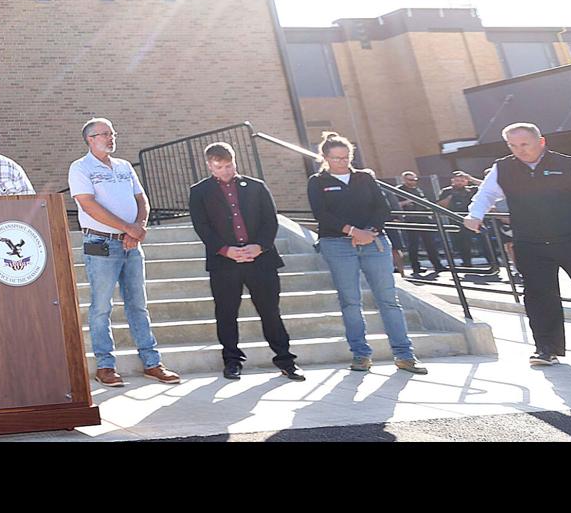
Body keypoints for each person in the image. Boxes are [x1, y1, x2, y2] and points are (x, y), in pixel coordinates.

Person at [69, 117, 180, 386]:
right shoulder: (80, 168)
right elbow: (88, 206)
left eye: (112, 133)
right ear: (90, 139)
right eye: (104, 134)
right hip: (102, 244)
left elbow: (142, 199)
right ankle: (105, 366)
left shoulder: (124, 166)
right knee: (101, 306)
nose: (110, 138)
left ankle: (152, 362)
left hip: (132, 244)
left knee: (138, 305)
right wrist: (128, 229)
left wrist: (139, 228)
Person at [306, 132, 427, 374]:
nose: (342, 162)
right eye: (336, 158)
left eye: (346, 157)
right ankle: (361, 355)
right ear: (325, 157)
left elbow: (383, 208)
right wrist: (352, 231)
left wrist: (370, 231)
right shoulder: (317, 182)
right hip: (338, 244)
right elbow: (322, 215)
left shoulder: (365, 178)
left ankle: (404, 355)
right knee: (350, 301)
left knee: (388, 300)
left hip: (374, 242)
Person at [187, 142, 302, 381]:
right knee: (226, 313)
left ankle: (285, 361)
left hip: (261, 260)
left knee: (270, 312)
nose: (226, 171)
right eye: (219, 167)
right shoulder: (199, 191)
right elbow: (202, 227)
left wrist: (259, 246)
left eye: (229, 165)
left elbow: (270, 221)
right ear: (209, 165)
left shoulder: (256, 187)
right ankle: (232, 361)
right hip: (224, 262)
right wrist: (225, 249)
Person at [464, 123, 571, 366]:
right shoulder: (503, 168)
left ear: (541, 142)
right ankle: (546, 349)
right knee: (539, 296)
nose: (520, 150)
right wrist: (475, 214)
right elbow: (485, 194)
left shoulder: (567, 164)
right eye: (513, 146)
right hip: (530, 242)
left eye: (524, 144)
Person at [387, 171, 445, 278]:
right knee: (413, 245)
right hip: (410, 220)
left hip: (423, 218)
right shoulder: (399, 190)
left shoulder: (417, 189)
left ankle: (437, 265)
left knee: (430, 243)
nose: (413, 182)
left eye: (415, 180)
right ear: (404, 180)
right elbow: (395, 205)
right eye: (410, 180)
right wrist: (408, 201)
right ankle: (415, 267)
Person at [437, 171, 491, 269]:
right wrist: (450, 197)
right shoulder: (446, 191)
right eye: (457, 180)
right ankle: (467, 263)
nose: (459, 183)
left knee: (484, 241)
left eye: (462, 181)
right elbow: (440, 205)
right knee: (463, 243)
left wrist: (471, 178)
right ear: (452, 181)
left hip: (473, 217)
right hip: (457, 219)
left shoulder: (472, 190)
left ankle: (492, 262)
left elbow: (487, 185)